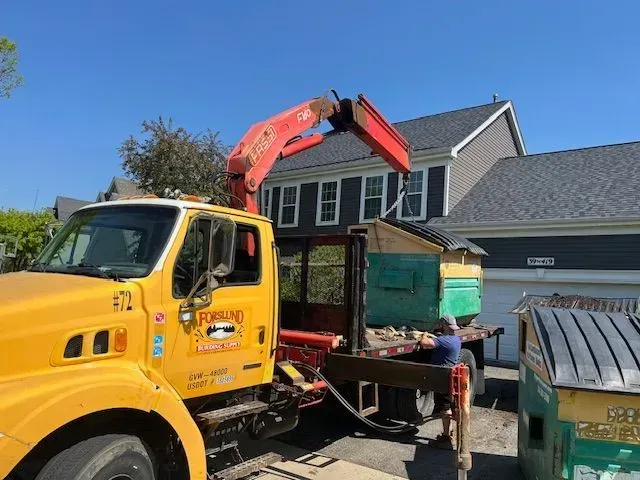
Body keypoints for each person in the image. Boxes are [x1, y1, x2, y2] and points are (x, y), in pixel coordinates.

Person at [419, 313, 461, 449]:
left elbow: (425, 344)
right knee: (449, 407)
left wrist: (424, 334)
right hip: (450, 378)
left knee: (446, 409)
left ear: (443, 326)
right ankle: (450, 434)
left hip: (443, 379)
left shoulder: (444, 341)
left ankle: (447, 437)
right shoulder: (455, 340)